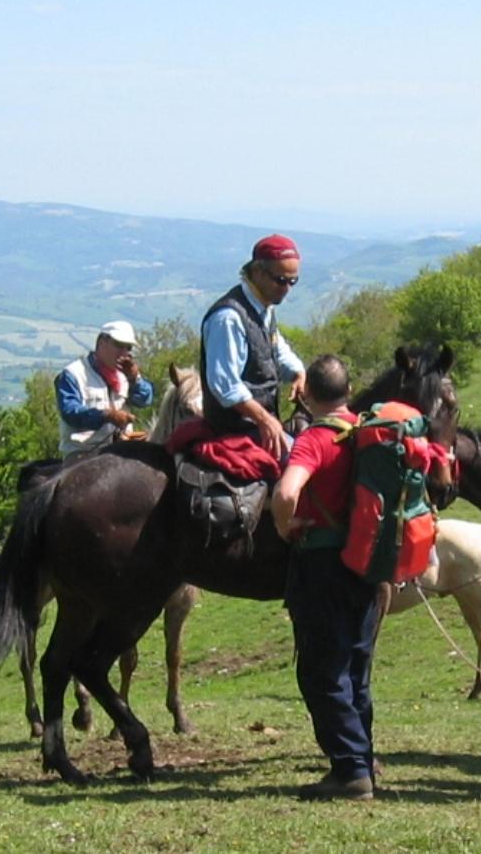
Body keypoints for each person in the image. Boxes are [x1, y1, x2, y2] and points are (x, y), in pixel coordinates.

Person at [270, 354, 375, 802]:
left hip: (322, 563)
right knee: (356, 666)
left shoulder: (314, 438)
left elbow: (286, 491)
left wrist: (283, 525)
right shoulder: (368, 433)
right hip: (366, 562)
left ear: (307, 394)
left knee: (321, 669)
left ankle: (351, 771)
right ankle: (363, 759)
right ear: (349, 392)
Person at [199, 233, 306, 459]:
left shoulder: (263, 307)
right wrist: (265, 420)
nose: (286, 288)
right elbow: (224, 384)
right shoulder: (228, 318)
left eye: (292, 281)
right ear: (257, 271)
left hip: (258, 422)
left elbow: (276, 349)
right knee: (301, 464)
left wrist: (298, 372)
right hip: (235, 429)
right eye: (280, 280)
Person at [55, 319, 155, 460]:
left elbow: (145, 400)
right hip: (83, 454)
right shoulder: (73, 374)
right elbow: (70, 412)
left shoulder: (126, 373)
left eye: (128, 348)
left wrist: (134, 379)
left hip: (121, 451)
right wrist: (106, 415)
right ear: (102, 342)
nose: (124, 352)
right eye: (119, 345)